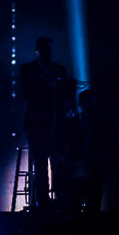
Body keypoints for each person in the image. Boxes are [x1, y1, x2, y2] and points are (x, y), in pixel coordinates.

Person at [19, 37, 69, 209]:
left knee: (60, 163)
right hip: (36, 125)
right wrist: (42, 79)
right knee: (40, 164)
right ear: (37, 51)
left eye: (49, 49)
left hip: (57, 123)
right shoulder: (27, 70)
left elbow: (66, 96)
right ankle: (43, 202)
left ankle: (62, 199)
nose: (47, 52)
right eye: (43, 49)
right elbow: (25, 95)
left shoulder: (59, 69)